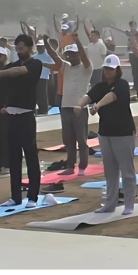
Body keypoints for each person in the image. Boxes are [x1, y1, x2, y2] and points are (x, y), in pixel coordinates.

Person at [0, 34, 44, 208]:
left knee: (30, 157)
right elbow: (4, 79)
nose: (19, 51)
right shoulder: (11, 66)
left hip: (26, 116)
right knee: (13, 158)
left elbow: (19, 72)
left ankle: (33, 196)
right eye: (16, 48)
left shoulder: (35, 64)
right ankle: (15, 196)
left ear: (29, 48)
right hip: (11, 116)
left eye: (22, 48)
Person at [83, 54, 138, 215]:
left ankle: (129, 204)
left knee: (127, 170)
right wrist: (78, 106)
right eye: (106, 68)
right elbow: (89, 96)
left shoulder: (122, 85)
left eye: (111, 69)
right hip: (105, 133)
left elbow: (111, 97)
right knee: (110, 170)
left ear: (117, 70)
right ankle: (110, 203)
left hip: (123, 132)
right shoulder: (100, 86)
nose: (108, 71)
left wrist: (97, 105)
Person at [48, 35, 93, 176]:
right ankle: (70, 165)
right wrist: (45, 43)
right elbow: (54, 56)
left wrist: (78, 41)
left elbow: (84, 57)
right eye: (69, 55)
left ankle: (82, 165)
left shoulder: (86, 68)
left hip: (80, 108)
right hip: (66, 106)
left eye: (73, 55)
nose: (71, 58)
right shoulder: (66, 67)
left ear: (78, 54)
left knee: (81, 138)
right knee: (68, 139)